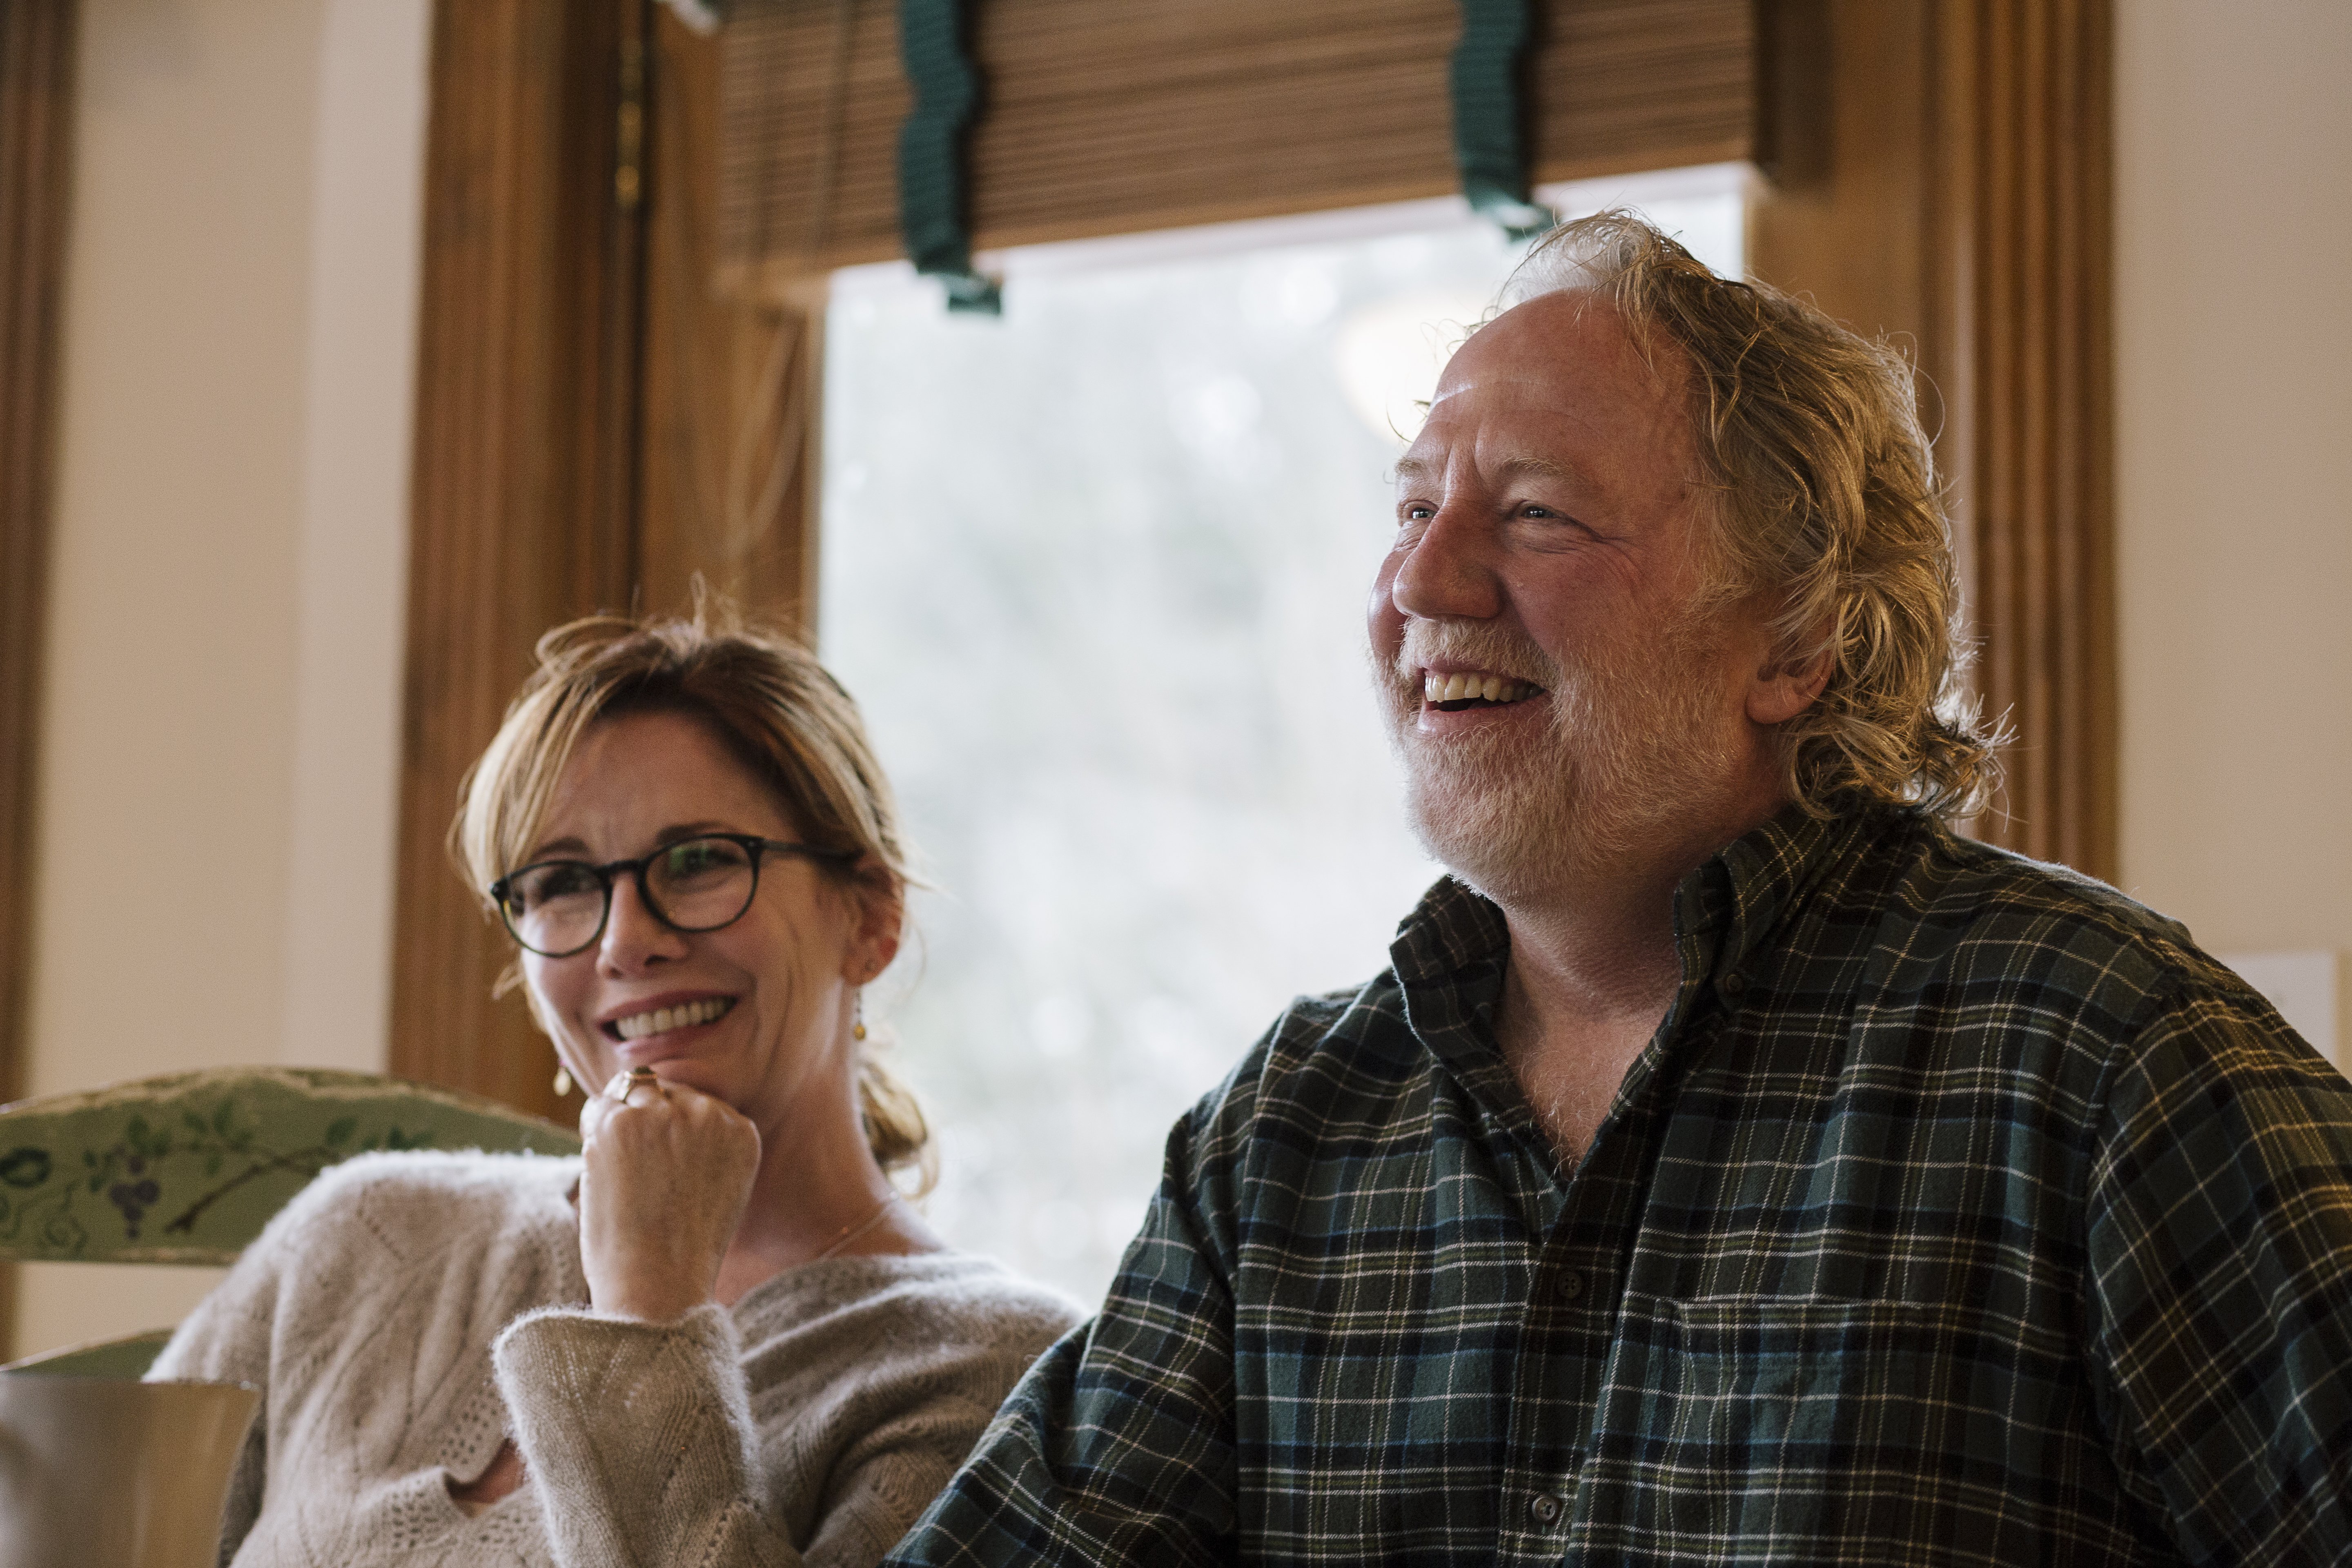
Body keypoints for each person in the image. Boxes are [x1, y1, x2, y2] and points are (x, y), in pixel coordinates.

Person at [883, 211, 2352, 1565]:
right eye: (1410, 511)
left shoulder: (2099, 1060)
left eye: (1536, 516)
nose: (1423, 586)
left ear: (1795, 642)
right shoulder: (1281, 1143)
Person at [151, 611, 1081, 1566]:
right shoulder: (364, 1235)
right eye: (561, 882)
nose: (623, 940)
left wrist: (652, 1308)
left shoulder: (1001, 1379)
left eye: (701, 861)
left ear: (872, 920)